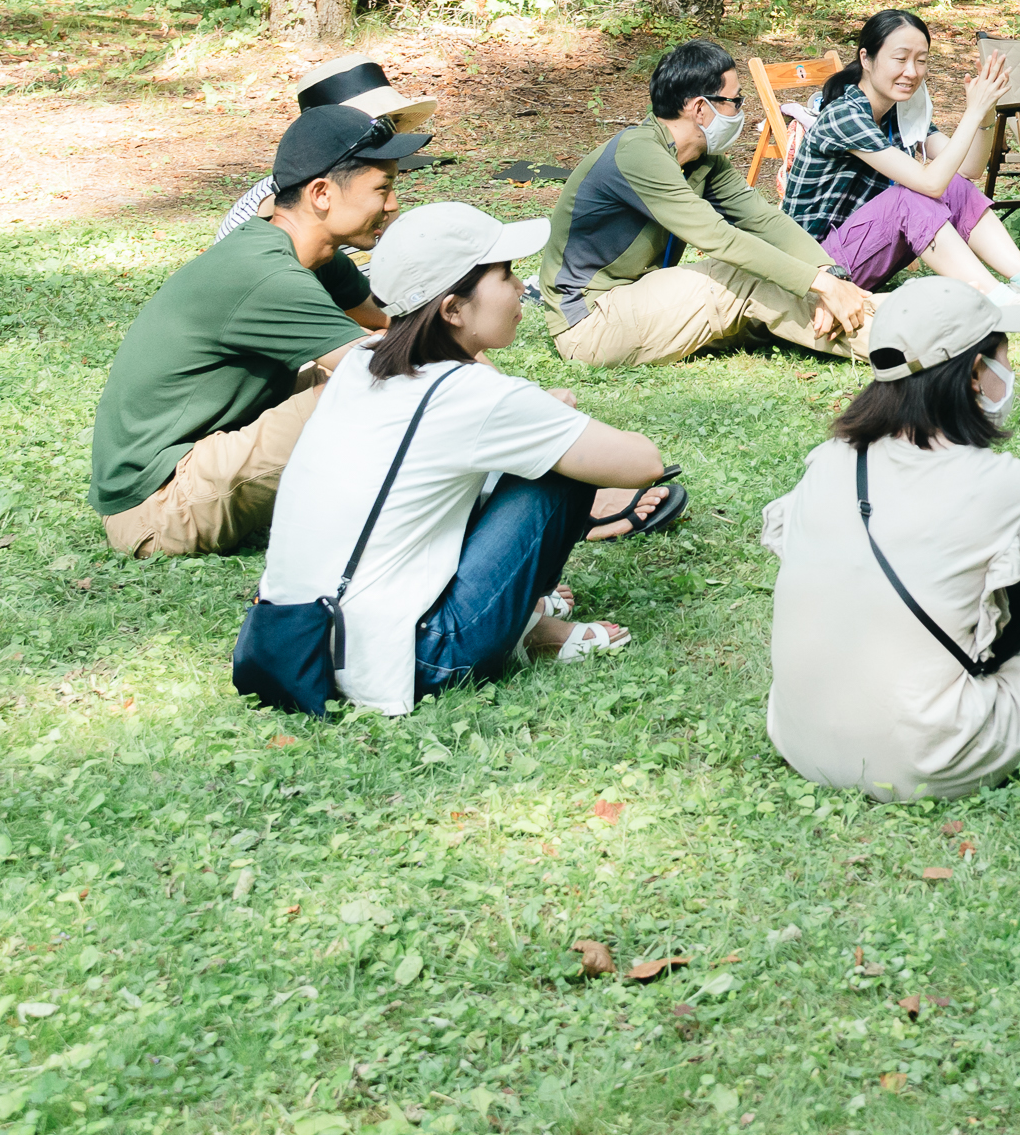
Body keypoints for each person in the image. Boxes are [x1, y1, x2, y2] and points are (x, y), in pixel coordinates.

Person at [252, 203, 676, 714]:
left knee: (538, 449)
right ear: (453, 309)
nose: (521, 287)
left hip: (304, 638)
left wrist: (531, 418)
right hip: (419, 657)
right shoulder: (469, 393)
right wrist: (544, 418)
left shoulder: (364, 359)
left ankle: (525, 612)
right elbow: (642, 462)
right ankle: (526, 626)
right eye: (506, 275)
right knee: (560, 466)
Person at [759, 281, 1020, 800]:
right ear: (977, 373)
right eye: (1005, 357)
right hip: (929, 760)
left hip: (801, 740)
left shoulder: (826, 463)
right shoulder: (990, 481)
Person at [92, 106, 434, 559]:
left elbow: (404, 327)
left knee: (377, 373)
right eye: (383, 189)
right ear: (322, 194)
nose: (392, 206)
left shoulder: (309, 255)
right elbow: (391, 370)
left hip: (190, 464)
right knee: (369, 388)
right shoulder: (267, 276)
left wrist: (511, 389)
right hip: (156, 508)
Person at [542, 40, 873, 367]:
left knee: (777, 290)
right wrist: (822, 284)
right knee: (744, 276)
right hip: (589, 322)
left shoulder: (703, 159)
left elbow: (765, 221)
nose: (741, 111)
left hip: (640, 299)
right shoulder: (639, 154)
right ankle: (899, 341)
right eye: (736, 101)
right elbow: (720, 238)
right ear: (700, 108)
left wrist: (830, 273)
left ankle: (893, 322)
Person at [780, 8, 1020, 305]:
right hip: (816, 271)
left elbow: (969, 169)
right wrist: (972, 111)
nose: (911, 72)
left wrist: (985, 111)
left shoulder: (903, 112)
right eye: (900, 59)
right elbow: (930, 184)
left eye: (921, 61)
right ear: (866, 59)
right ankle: (997, 298)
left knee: (953, 186)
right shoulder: (845, 115)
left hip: (859, 254)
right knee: (910, 197)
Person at [214, 54, 444, 276]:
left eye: (394, 123)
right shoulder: (284, 210)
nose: (389, 135)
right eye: (375, 125)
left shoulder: (367, 195)